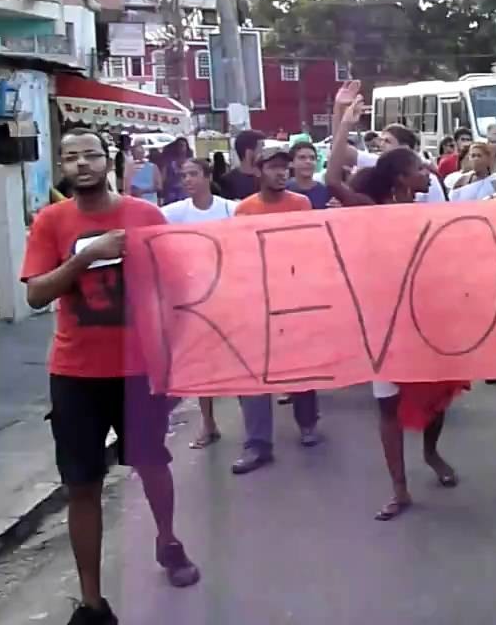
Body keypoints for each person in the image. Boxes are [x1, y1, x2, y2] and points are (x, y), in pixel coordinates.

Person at [22, 128, 200, 625]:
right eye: (71, 157)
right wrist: (86, 255)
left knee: (152, 465)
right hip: (75, 375)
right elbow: (36, 295)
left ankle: (168, 540)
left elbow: (178, 287)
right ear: (63, 166)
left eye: (91, 155)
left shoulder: (144, 216)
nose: (82, 164)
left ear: (109, 160)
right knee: (82, 485)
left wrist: (176, 349)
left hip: (137, 371)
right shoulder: (51, 221)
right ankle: (93, 602)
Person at [327, 83, 466, 520]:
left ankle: (431, 453)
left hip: (429, 316)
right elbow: (332, 179)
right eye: (420, 168)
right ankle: (399, 488)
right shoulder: (369, 205)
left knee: (437, 396)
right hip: (384, 321)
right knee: (387, 403)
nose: (428, 172)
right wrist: (342, 125)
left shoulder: (429, 209)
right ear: (402, 176)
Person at [230, 145, 323, 475]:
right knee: (254, 372)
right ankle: (257, 443)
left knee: (299, 363)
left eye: (285, 167)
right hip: (256, 297)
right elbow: (237, 256)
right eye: (274, 167)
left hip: (294, 294)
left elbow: (311, 246)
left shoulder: (301, 204)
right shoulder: (244, 210)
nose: (282, 172)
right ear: (259, 171)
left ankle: (308, 421)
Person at [159, 159, 237, 449]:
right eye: (184, 175)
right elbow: (146, 223)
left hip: (229, 294)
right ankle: (208, 423)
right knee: (202, 363)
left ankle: (252, 428)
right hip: (195, 299)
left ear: (207, 176)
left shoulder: (230, 209)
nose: (188, 180)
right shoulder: (175, 213)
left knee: (238, 359)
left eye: (193, 174)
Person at [218, 129, 265, 200]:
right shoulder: (228, 181)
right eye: (261, 149)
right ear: (249, 153)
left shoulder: (268, 178)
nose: (264, 153)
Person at [287, 139, 333, 209]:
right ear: (291, 163)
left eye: (312, 158)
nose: (308, 162)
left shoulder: (325, 192)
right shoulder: (284, 190)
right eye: (302, 158)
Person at [159, 137, 191, 204]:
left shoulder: (191, 162)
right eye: (179, 146)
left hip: (186, 194)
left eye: (183, 145)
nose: (181, 148)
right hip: (171, 195)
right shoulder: (169, 162)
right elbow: (162, 179)